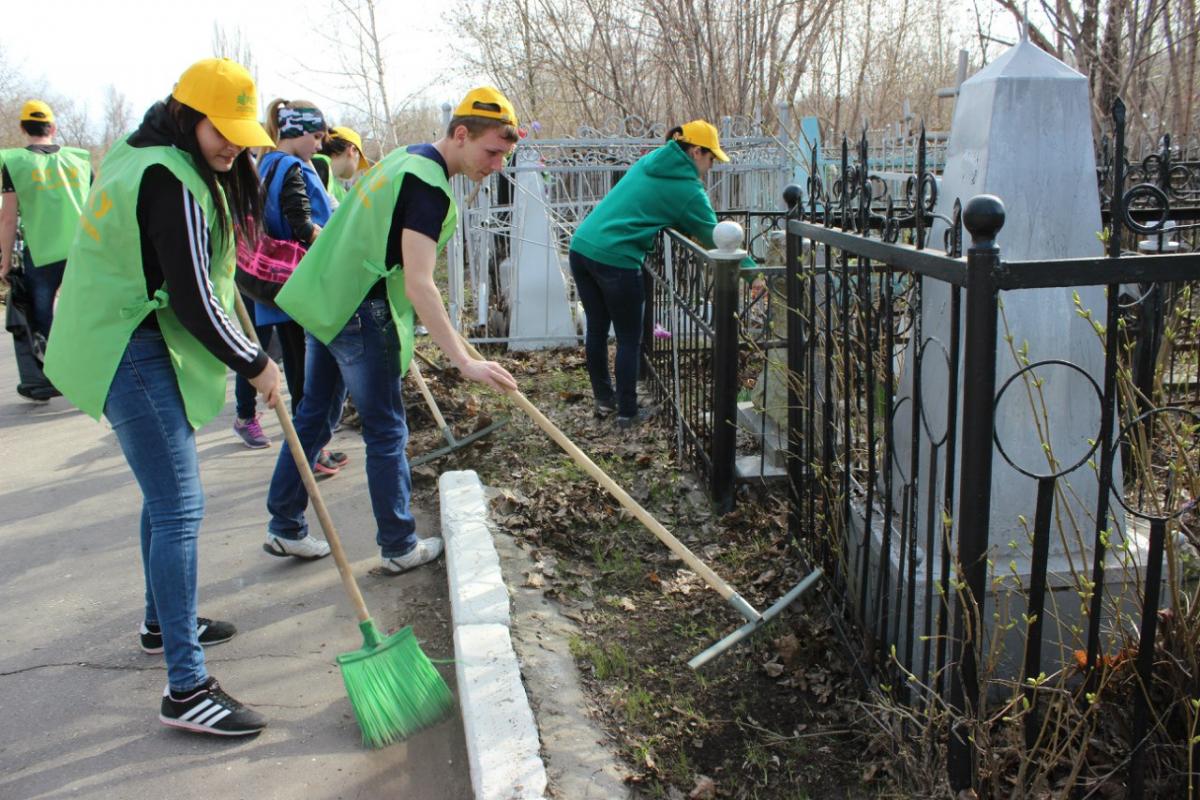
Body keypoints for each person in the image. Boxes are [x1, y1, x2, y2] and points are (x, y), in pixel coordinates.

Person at [43, 58, 281, 737]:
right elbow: (195, 299)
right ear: (187, 114)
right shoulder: (169, 177)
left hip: (114, 333)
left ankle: (160, 622)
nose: (231, 144)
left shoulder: (138, 152)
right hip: (130, 346)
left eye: (240, 132)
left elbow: (199, 275)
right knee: (180, 505)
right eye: (220, 129)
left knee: (164, 496)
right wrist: (256, 363)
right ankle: (186, 687)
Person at [261, 86, 519, 571]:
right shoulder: (427, 186)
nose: (497, 164)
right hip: (361, 311)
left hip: (330, 299)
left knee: (315, 414)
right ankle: (399, 546)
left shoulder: (404, 159)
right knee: (386, 430)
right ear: (461, 135)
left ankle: (284, 525)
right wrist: (464, 360)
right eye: (492, 152)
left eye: (505, 155)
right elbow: (421, 285)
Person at [568, 120, 746, 428]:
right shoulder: (688, 189)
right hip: (617, 260)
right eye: (711, 157)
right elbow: (713, 234)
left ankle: (604, 400)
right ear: (695, 152)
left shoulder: (649, 161)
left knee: (597, 330)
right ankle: (627, 413)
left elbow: (648, 204)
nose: (712, 165)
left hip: (582, 247)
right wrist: (754, 275)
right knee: (628, 338)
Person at [231, 99, 344, 475]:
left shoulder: (265, 163)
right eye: (315, 136)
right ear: (296, 132)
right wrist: (338, 245)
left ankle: (313, 447)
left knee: (300, 368)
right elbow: (301, 223)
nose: (318, 144)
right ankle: (308, 452)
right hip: (298, 282)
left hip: (280, 286)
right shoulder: (291, 166)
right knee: (305, 374)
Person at [0, 100, 91, 400]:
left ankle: (52, 378)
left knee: (43, 318)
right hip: (83, 250)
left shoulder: (15, 162)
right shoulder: (79, 159)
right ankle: (93, 372)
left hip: (42, 253)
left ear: (23, 128)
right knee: (85, 311)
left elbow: (8, 217)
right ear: (53, 127)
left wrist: (3, 261)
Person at [312, 125, 368, 204]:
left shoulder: (337, 187)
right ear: (352, 150)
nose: (357, 167)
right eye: (359, 158)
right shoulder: (317, 165)